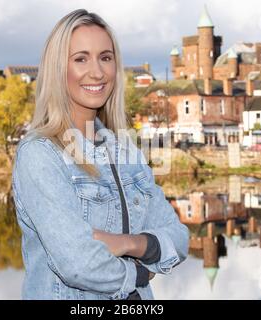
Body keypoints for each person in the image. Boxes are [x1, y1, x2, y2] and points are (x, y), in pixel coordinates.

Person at [11, 8, 189, 300]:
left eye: (105, 57)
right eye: (81, 58)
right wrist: (142, 272)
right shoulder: (41, 154)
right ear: (58, 68)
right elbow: (79, 265)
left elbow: (179, 238)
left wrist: (129, 244)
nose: (97, 71)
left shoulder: (125, 150)